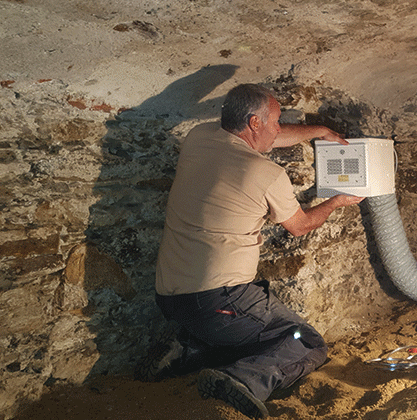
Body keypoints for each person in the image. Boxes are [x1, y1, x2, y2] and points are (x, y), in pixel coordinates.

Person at [136, 84, 363, 418]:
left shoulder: (200, 138)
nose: (278, 129)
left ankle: (188, 350)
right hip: (221, 302)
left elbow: (271, 137)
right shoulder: (266, 173)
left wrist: (318, 131)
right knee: (305, 342)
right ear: (254, 123)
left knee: (250, 332)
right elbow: (299, 225)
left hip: (172, 301)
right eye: (274, 122)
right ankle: (238, 381)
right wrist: (337, 201)